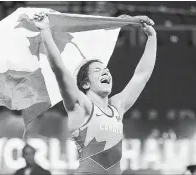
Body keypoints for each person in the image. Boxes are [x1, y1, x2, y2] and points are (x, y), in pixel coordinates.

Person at [33, 12, 157, 175]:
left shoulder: (117, 107)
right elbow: (60, 70)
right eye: (98, 70)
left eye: (106, 70)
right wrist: (45, 31)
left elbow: (141, 76)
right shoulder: (81, 105)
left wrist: (152, 38)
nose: (105, 72)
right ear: (85, 83)